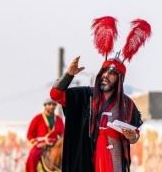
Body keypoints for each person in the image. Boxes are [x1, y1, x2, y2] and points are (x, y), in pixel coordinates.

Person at [49, 16, 151, 172]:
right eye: (104, 71)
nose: (106, 75)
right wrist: (69, 75)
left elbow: (135, 136)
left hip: (114, 161)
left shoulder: (127, 104)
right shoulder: (83, 96)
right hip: (86, 158)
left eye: (112, 74)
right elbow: (55, 94)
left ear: (119, 79)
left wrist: (131, 136)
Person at [25, 98, 65, 172]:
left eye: (53, 105)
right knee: (32, 157)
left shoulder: (59, 119)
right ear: (45, 106)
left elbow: (62, 134)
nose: (51, 106)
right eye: (49, 104)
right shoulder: (37, 118)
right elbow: (29, 134)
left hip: (54, 144)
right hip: (40, 145)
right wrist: (37, 144)